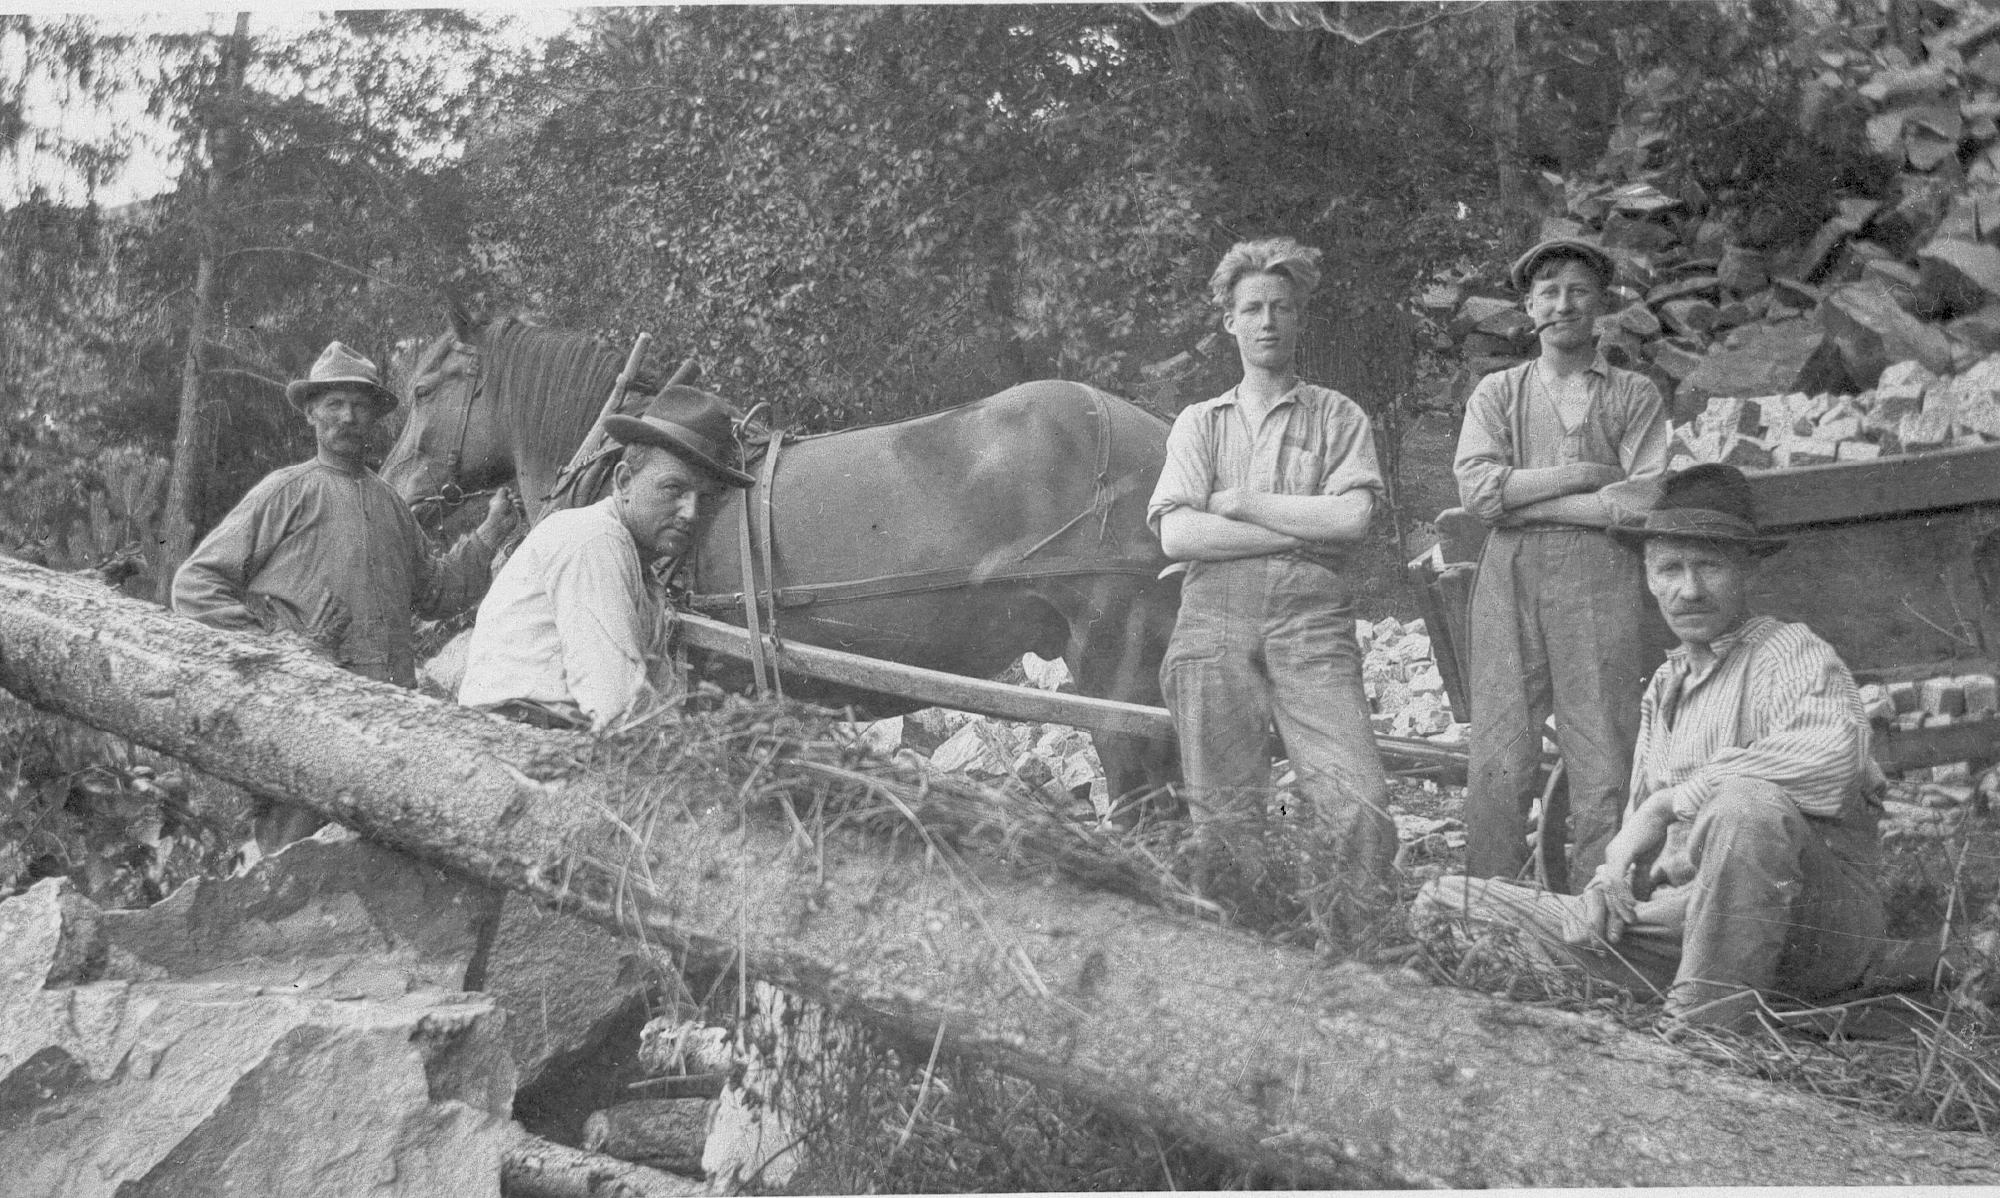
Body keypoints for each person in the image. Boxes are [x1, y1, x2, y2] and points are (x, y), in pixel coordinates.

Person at [1415, 465, 1892, 1029]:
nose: (1689, 589)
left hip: (1808, 926)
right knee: (1447, 901)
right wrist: (1607, 881)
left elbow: (1833, 761)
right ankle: (1658, 972)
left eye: (1709, 565)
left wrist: (1668, 802)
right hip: (1687, 924)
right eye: (1670, 568)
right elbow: (1638, 844)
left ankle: (1701, 1030)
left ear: (1747, 571)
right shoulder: (1664, 688)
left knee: (1745, 806)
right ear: (1647, 577)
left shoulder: (1787, 651)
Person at [173, 340, 517, 848]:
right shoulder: (286, 491)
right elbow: (194, 586)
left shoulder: (390, 505)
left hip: (389, 725)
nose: (348, 416)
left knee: (378, 866)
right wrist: (276, 646)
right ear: (311, 412)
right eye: (334, 403)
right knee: (289, 864)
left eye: (360, 404)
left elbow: (437, 592)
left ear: (376, 415)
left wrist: (488, 537)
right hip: (305, 719)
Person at [1146, 236, 1396, 922]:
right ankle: (1242, 960)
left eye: (1281, 307)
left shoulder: (1338, 416)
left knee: (1358, 801)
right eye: (1251, 308)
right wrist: (1296, 528)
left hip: (1310, 621)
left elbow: (1352, 519)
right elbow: (1178, 533)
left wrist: (1244, 504)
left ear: (1299, 318)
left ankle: (1348, 949)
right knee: (1227, 820)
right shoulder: (1200, 424)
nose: (1266, 322)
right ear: (1228, 320)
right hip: (1212, 619)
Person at [1454, 237, 1672, 892]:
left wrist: (1528, 503)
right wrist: (1580, 475)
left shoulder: (1634, 395)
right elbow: (1477, 492)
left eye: (1578, 289)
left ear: (1601, 304)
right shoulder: (1498, 394)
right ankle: (1487, 911)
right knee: (1498, 756)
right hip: (1510, 580)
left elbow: (1641, 501)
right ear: (1528, 307)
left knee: (1603, 757)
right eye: (1548, 292)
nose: (1563, 304)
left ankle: (1596, 920)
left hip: (1600, 579)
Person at [458, 385, 753, 732]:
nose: (690, 512)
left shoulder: (642, 573)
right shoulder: (596, 539)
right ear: (624, 481)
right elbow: (618, 704)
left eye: (703, 499)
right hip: (520, 736)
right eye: (674, 489)